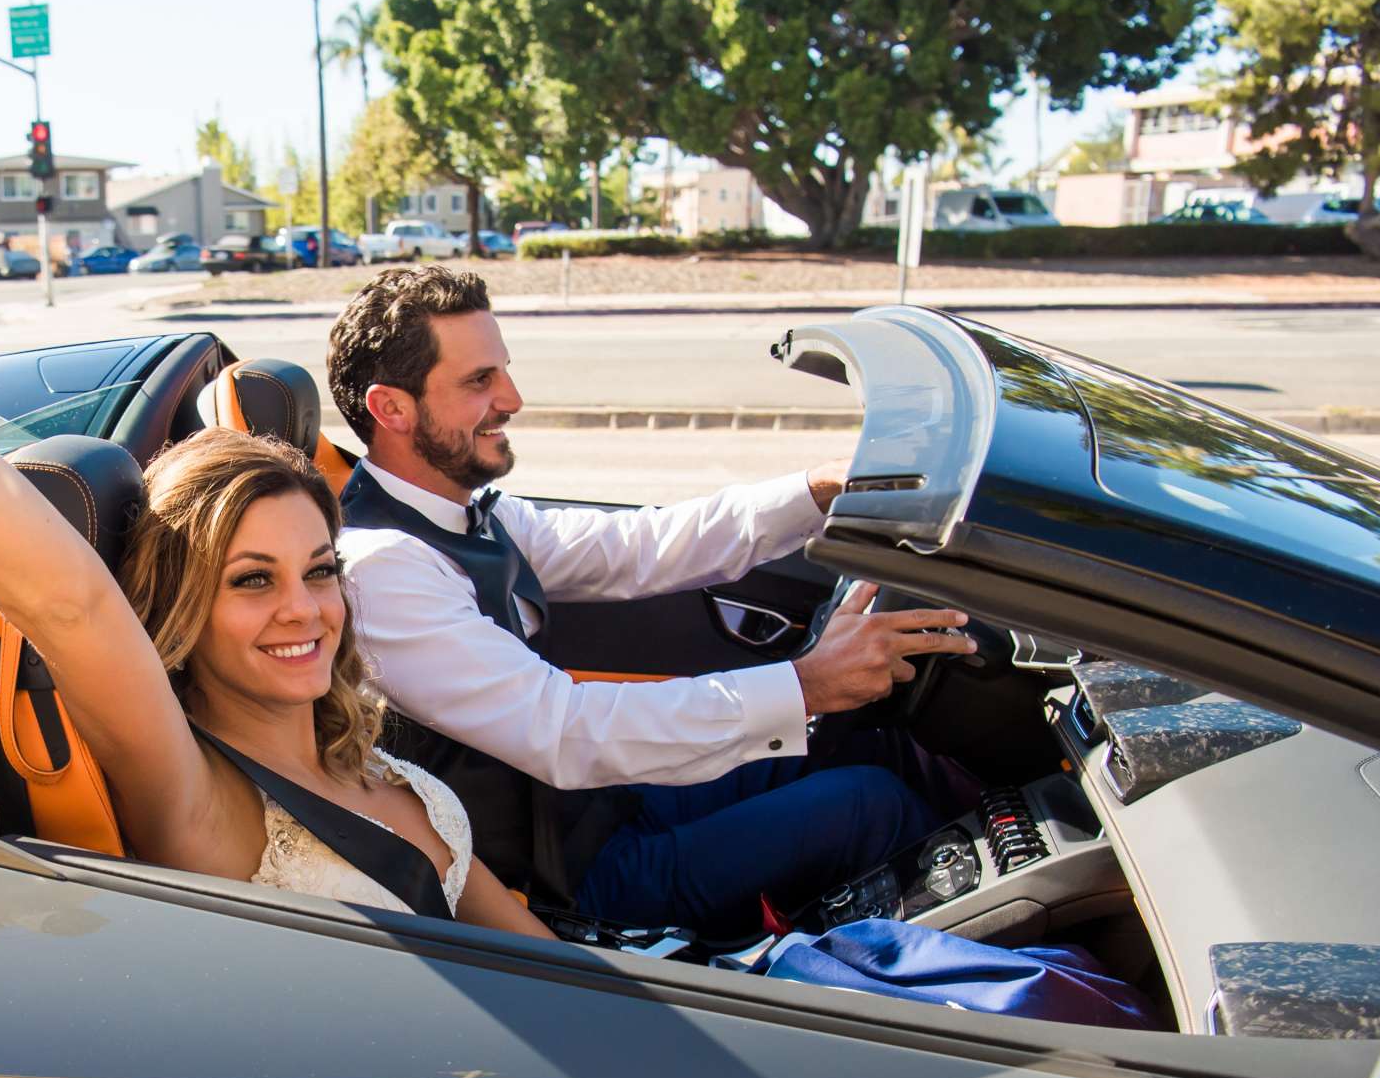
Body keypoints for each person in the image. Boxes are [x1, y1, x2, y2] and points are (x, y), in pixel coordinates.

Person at [0, 231, 552, 938]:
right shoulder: (201, 803)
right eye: (251, 581)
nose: (303, 608)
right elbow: (64, 598)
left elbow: (535, 958)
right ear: (184, 613)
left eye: (320, 569)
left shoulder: (363, 755)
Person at [324, 266, 982, 939]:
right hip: (567, 879)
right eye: (479, 381)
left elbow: (638, 546)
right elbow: (565, 732)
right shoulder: (384, 571)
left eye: (503, 372)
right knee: (869, 807)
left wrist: (816, 491)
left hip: (598, 809)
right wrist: (806, 684)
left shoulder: (470, 514)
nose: (513, 398)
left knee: (867, 752)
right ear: (392, 410)